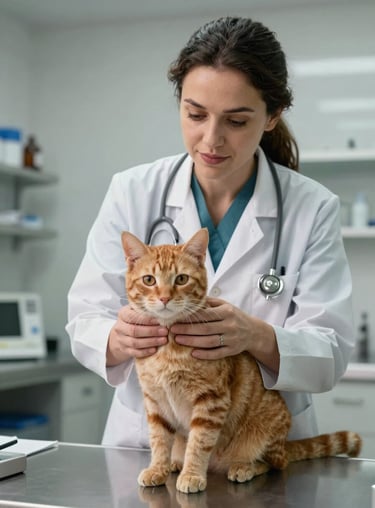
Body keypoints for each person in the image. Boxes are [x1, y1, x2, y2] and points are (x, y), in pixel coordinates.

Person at [66, 17, 354, 449]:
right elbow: (85, 315)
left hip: (252, 444)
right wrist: (116, 337)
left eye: (236, 121)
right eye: (195, 114)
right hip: (149, 445)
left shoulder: (311, 207)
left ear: (272, 115)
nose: (211, 140)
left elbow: (330, 352)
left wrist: (256, 335)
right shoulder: (133, 190)